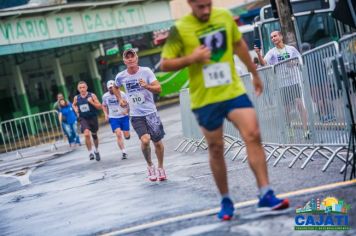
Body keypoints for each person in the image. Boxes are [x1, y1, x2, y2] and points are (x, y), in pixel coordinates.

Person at [160, 0, 289, 221]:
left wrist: (255, 73)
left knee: (253, 134)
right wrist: (193, 58)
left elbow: (239, 46)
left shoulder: (224, 17)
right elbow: (165, 64)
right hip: (205, 98)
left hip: (232, 91)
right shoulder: (179, 29)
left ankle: (266, 193)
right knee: (216, 147)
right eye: (200, 6)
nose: (206, 10)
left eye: (208, 4)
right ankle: (226, 199)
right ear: (190, 4)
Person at [113, 49, 166, 182]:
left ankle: (160, 167)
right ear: (124, 61)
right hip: (136, 115)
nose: (130, 59)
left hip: (151, 112)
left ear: (137, 58)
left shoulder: (146, 71)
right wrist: (120, 99)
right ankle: (150, 166)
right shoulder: (121, 76)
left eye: (132, 56)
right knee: (145, 140)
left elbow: (159, 88)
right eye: (127, 57)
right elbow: (115, 87)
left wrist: (146, 86)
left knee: (158, 143)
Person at [255, 31, 310, 138]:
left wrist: (294, 63)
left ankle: (306, 130)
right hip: (282, 84)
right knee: (286, 110)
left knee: (300, 104)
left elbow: (300, 61)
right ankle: (290, 128)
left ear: (281, 36)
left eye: (275, 36)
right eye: (271, 37)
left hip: (293, 81)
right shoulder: (272, 52)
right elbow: (263, 63)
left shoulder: (291, 49)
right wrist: (258, 53)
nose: (273, 38)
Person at [72, 81, 102, 161]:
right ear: (78, 89)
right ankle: (90, 153)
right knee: (86, 134)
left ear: (86, 87)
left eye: (83, 87)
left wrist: (91, 102)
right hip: (83, 118)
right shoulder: (76, 97)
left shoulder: (92, 95)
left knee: (94, 135)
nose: (82, 89)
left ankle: (96, 150)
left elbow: (99, 106)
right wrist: (76, 110)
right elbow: (73, 105)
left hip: (93, 117)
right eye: (80, 88)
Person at [102, 80, 131, 160]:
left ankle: (127, 135)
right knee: (118, 134)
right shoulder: (105, 96)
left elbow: (128, 103)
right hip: (113, 117)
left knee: (126, 135)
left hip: (123, 116)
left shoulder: (122, 94)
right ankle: (123, 152)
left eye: (112, 87)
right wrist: (106, 114)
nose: (111, 89)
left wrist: (127, 110)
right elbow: (104, 105)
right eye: (109, 88)